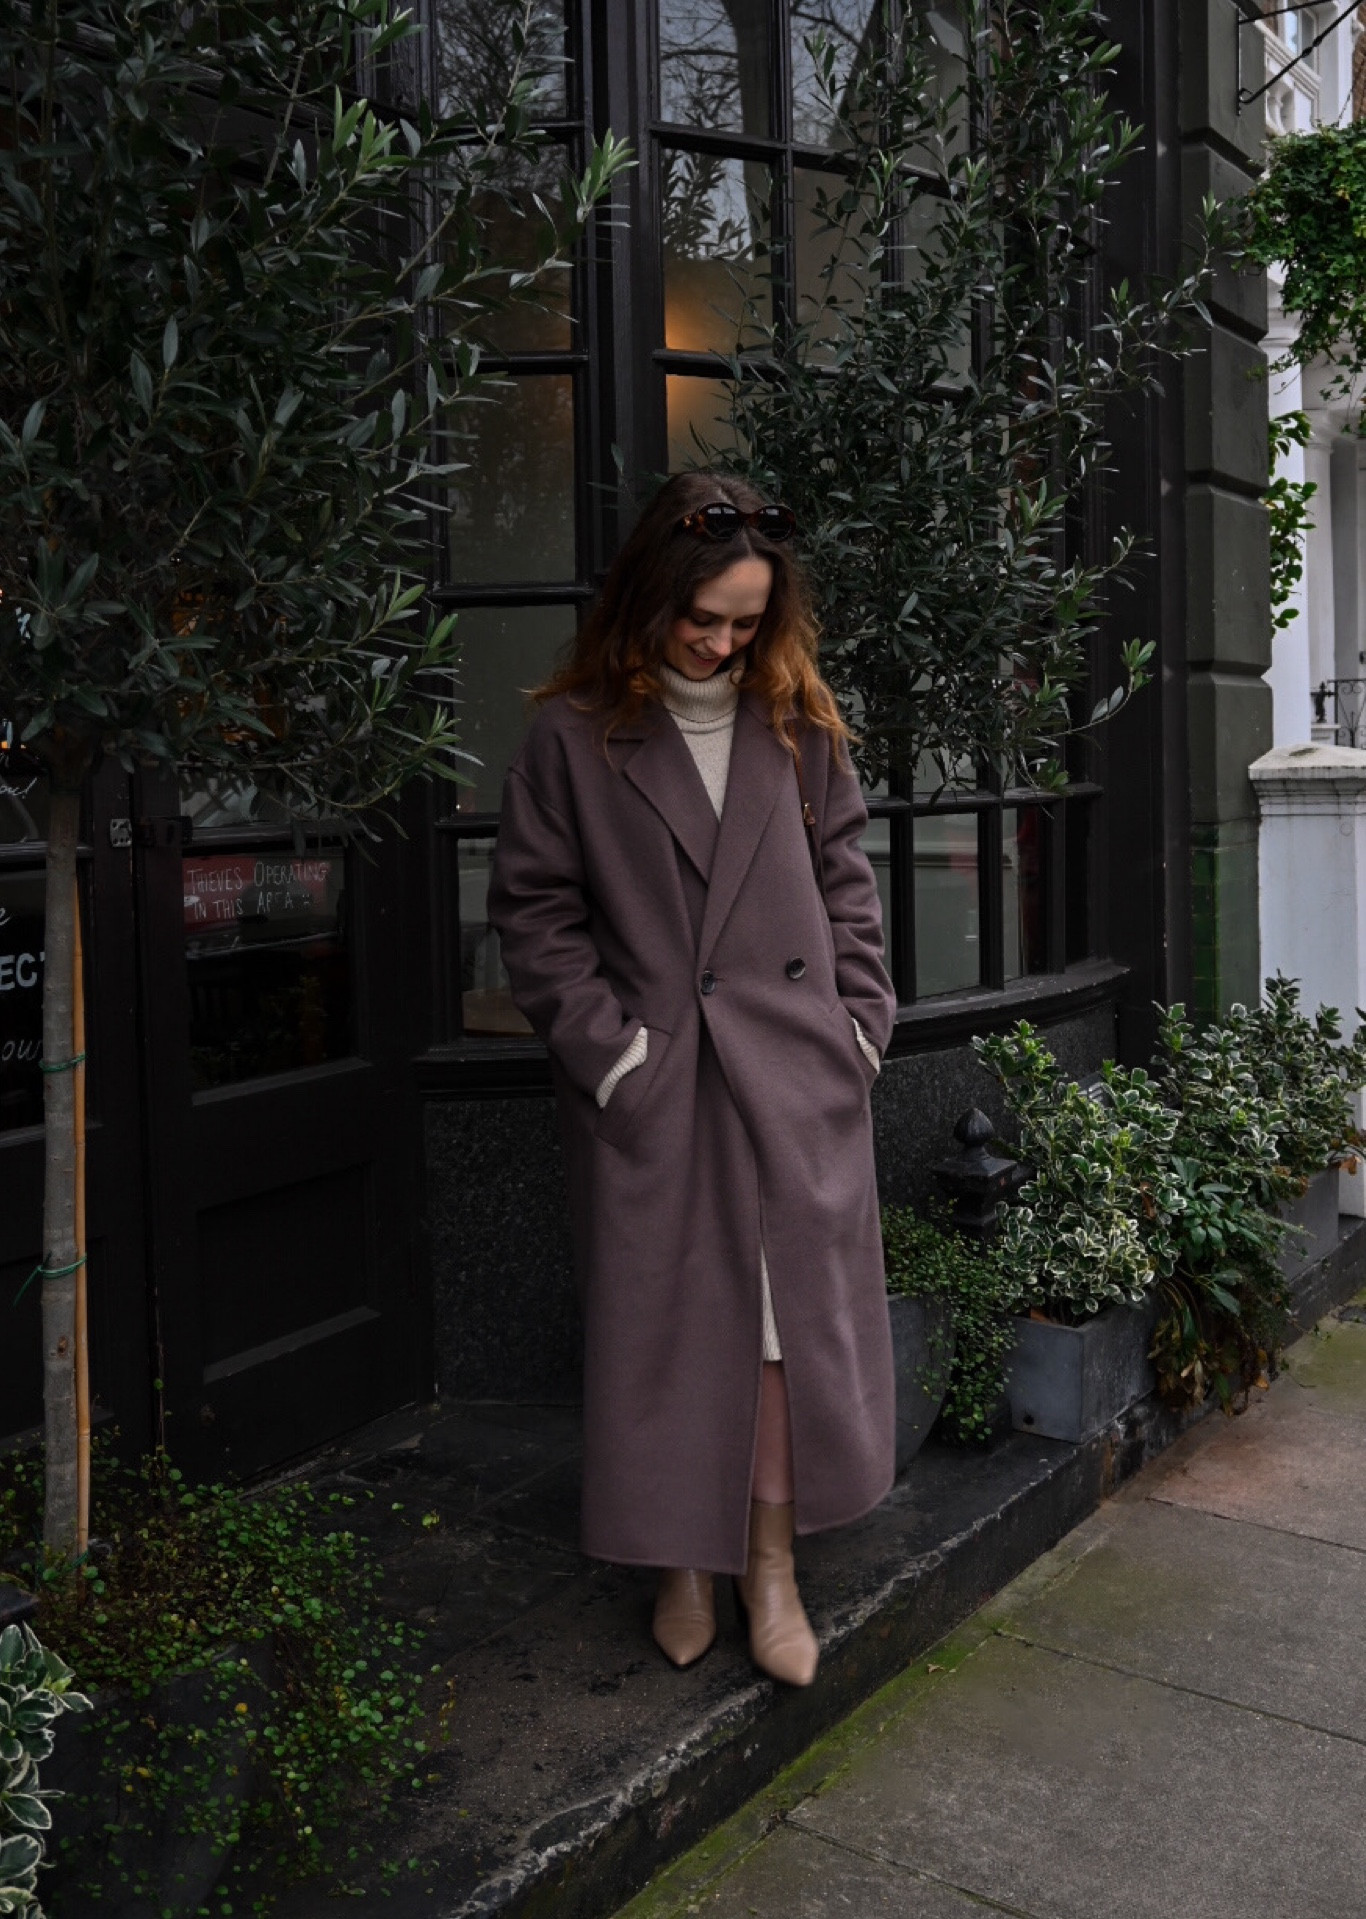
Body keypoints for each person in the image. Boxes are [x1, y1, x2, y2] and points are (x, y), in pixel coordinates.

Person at [486, 470, 896, 1687]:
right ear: (649, 597)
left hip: (795, 1079)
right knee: (668, 1332)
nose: (722, 641)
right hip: (663, 1083)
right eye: (702, 617)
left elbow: (849, 892)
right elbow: (535, 914)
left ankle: (768, 1564)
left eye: (746, 621)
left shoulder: (800, 725)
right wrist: (616, 1057)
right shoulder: (573, 737)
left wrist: (860, 1028)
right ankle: (681, 1560)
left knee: (782, 1334)